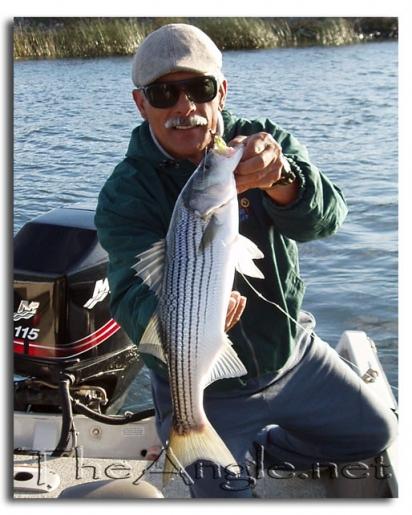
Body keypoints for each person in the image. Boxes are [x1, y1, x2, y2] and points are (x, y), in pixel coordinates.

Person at [95, 23, 397, 498]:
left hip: (290, 355)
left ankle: (264, 452)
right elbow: (130, 291)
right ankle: (196, 439)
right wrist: (184, 321)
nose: (185, 107)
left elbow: (328, 219)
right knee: (225, 499)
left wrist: (284, 181)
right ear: (140, 103)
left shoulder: (260, 144)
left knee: (375, 434)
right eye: (163, 93)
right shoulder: (126, 193)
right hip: (205, 389)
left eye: (200, 88)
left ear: (222, 92)